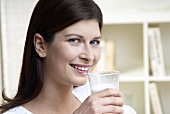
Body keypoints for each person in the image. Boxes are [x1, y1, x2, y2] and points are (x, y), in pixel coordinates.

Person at [0, 0, 136, 114]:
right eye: (74, 40)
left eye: (94, 42)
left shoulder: (111, 109)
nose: (89, 56)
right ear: (41, 45)